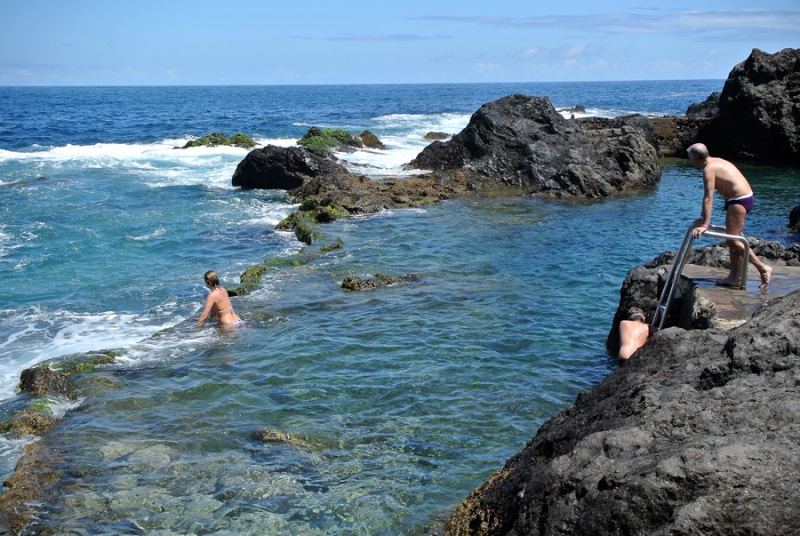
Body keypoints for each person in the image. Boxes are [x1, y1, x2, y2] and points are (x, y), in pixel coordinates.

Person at [687, 143, 772, 290]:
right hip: (742, 198)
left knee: (734, 241)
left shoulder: (708, 170)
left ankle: (763, 268)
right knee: (732, 239)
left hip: (739, 200)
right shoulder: (716, 161)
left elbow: (708, 198)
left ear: (695, 158)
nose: (690, 160)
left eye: (690, 158)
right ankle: (733, 277)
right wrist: (703, 218)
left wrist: (705, 224)